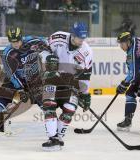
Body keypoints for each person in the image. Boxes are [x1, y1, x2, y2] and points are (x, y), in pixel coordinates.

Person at [0, 27, 52, 138]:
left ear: (21, 38)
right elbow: (12, 74)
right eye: (12, 42)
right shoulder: (8, 53)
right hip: (15, 80)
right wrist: (21, 90)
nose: (15, 44)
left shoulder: (34, 41)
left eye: (17, 41)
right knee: (2, 98)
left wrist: (51, 56)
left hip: (34, 79)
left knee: (44, 102)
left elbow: (49, 44)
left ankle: (52, 128)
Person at [42, 22, 93, 150]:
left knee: (69, 109)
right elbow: (42, 48)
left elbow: (85, 76)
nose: (81, 41)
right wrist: (48, 58)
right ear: (72, 35)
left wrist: (85, 94)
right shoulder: (58, 37)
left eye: (83, 38)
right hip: (52, 79)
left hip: (70, 83)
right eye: (79, 38)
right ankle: (52, 138)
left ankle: (58, 138)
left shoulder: (87, 52)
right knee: (49, 106)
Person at [116, 32, 140, 135]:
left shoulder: (131, 54)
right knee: (130, 94)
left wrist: (123, 84)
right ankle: (127, 121)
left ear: (128, 42)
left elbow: (133, 74)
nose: (121, 46)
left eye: (122, 43)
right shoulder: (138, 41)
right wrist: (125, 84)